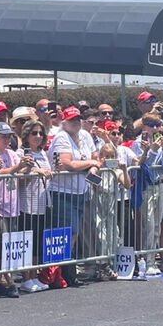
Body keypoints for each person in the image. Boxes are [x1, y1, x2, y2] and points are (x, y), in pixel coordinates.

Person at [47, 106, 99, 286]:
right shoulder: (62, 136)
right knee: (69, 232)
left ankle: (66, 271)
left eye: (77, 119)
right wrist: (90, 163)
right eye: (71, 120)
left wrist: (93, 165)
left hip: (81, 191)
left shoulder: (85, 135)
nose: (75, 123)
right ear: (64, 122)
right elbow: (66, 163)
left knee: (75, 232)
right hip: (62, 192)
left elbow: (96, 156)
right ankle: (63, 273)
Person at [0, 122, 31, 297]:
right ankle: (2, 280)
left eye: (8, 136)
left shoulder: (12, 154)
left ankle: (4, 279)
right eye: (3, 136)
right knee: (0, 244)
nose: (6, 140)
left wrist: (27, 167)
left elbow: (18, 176)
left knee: (10, 244)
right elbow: (0, 172)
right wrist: (17, 168)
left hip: (13, 204)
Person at [131, 113, 163, 275]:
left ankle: (152, 259)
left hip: (160, 185)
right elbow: (143, 166)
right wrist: (152, 150)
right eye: (151, 125)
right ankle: (147, 261)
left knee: (156, 226)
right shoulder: (138, 143)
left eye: (157, 125)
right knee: (148, 224)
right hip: (146, 186)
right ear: (144, 125)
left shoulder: (161, 141)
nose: (155, 128)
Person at [16, 120, 52, 292]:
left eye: (40, 133)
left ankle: (35, 276)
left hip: (42, 203)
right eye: (34, 133)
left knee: (38, 241)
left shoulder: (43, 153)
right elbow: (19, 176)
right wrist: (34, 171)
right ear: (26, 136)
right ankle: (26, 277)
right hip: (27, 203)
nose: (37, 137)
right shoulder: (21, 153)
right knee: (27, 241)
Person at [91, 144, 131, 280]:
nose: (109, 159)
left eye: (111, 156)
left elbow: (127, 185)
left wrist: (124, 170)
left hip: (112, 206)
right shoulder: (97, 169)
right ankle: (102, 265)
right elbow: (91, 181)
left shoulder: (116, 171)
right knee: (101, 235)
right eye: (106, 156)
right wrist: (100, 168)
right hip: (99, 204)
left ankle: (110, 263)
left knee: (113, 235)